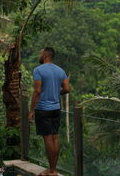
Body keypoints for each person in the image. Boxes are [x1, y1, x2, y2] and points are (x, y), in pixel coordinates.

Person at [29, 47, 70, 176]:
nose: (39, 55)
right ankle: (53, 169)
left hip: (43, 109)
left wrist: (31, 110)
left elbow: (37, 91)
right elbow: (67, 89)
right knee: (55, 137)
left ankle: (51, 171)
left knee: (47, 139)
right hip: (56, 108)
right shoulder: (60, 70)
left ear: (46, 55)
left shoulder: (38, 70)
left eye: (40, 53)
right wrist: (56, 92)